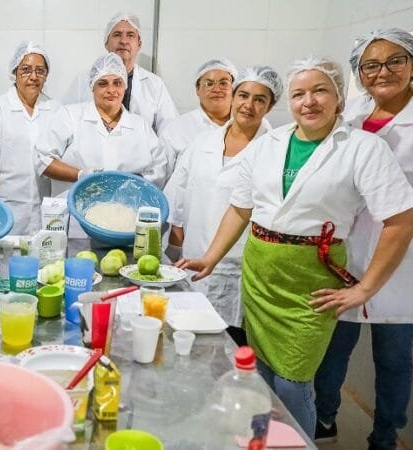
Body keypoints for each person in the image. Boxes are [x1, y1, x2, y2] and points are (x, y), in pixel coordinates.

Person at [177, 57, 413, 438]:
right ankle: (263, 438)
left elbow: (401, 220)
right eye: (299, 93)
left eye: (320, 90)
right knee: (262, 374)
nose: (309, 101)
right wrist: (210, 256)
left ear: (339, 98)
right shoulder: (269, 143)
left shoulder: (362, 148)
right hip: (260, 276)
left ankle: (296, 443)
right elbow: (240, 208)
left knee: (293, 381)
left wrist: (365, 288)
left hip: (311, 282)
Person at [314, 28, 413, 450]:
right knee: (332, 351)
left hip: (402, 260)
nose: (382, 72)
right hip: (347, 252)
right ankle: (324, 421)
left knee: (394, 359)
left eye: (395, 60)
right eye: (370, 65)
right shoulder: (350, 114)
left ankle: (385, 436)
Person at [167, 66, 279, 346]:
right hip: (194, 258)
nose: (248, 105)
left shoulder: (275, 150)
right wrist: (173, 229)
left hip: (241, 265)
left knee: (234, 345)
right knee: (192, 342)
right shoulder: (203, 142)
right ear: (234, 96)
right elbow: (177, 190)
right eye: (243, 95)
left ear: (271, 105)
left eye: (259, 99)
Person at [35, 52, 165, 197]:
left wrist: (128, 187)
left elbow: (158, 169)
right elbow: (43, 161)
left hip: (125, 213)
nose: (111, 90)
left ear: (125, 87)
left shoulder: (140, 126)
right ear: (92, 86)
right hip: (74, 211)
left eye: (117, 83)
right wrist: (80, 175)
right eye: (103, 84)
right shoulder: (70, 116)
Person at [0, 41, 60, 235]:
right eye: (26, 70)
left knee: (46, 262)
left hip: (48, 214)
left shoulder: (56, 110)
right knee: (7, 262)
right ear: (15, 72)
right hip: (8, 213)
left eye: (40, 71)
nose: (34, 77)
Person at [63, 12, 178, 135]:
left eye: (130, 35)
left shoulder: (154, 84)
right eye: (117, 35)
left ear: (139, 44)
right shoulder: (83, 80)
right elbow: (64, 122)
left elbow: (170, 132)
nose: (123, 41)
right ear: (106, 43)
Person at [160, 58, 238, 178]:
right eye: (209, 84)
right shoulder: (176, 129)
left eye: (223, 83)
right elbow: (162, 177)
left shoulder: (251, 126)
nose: (217, 89)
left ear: (234, 89)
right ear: (197, 90)